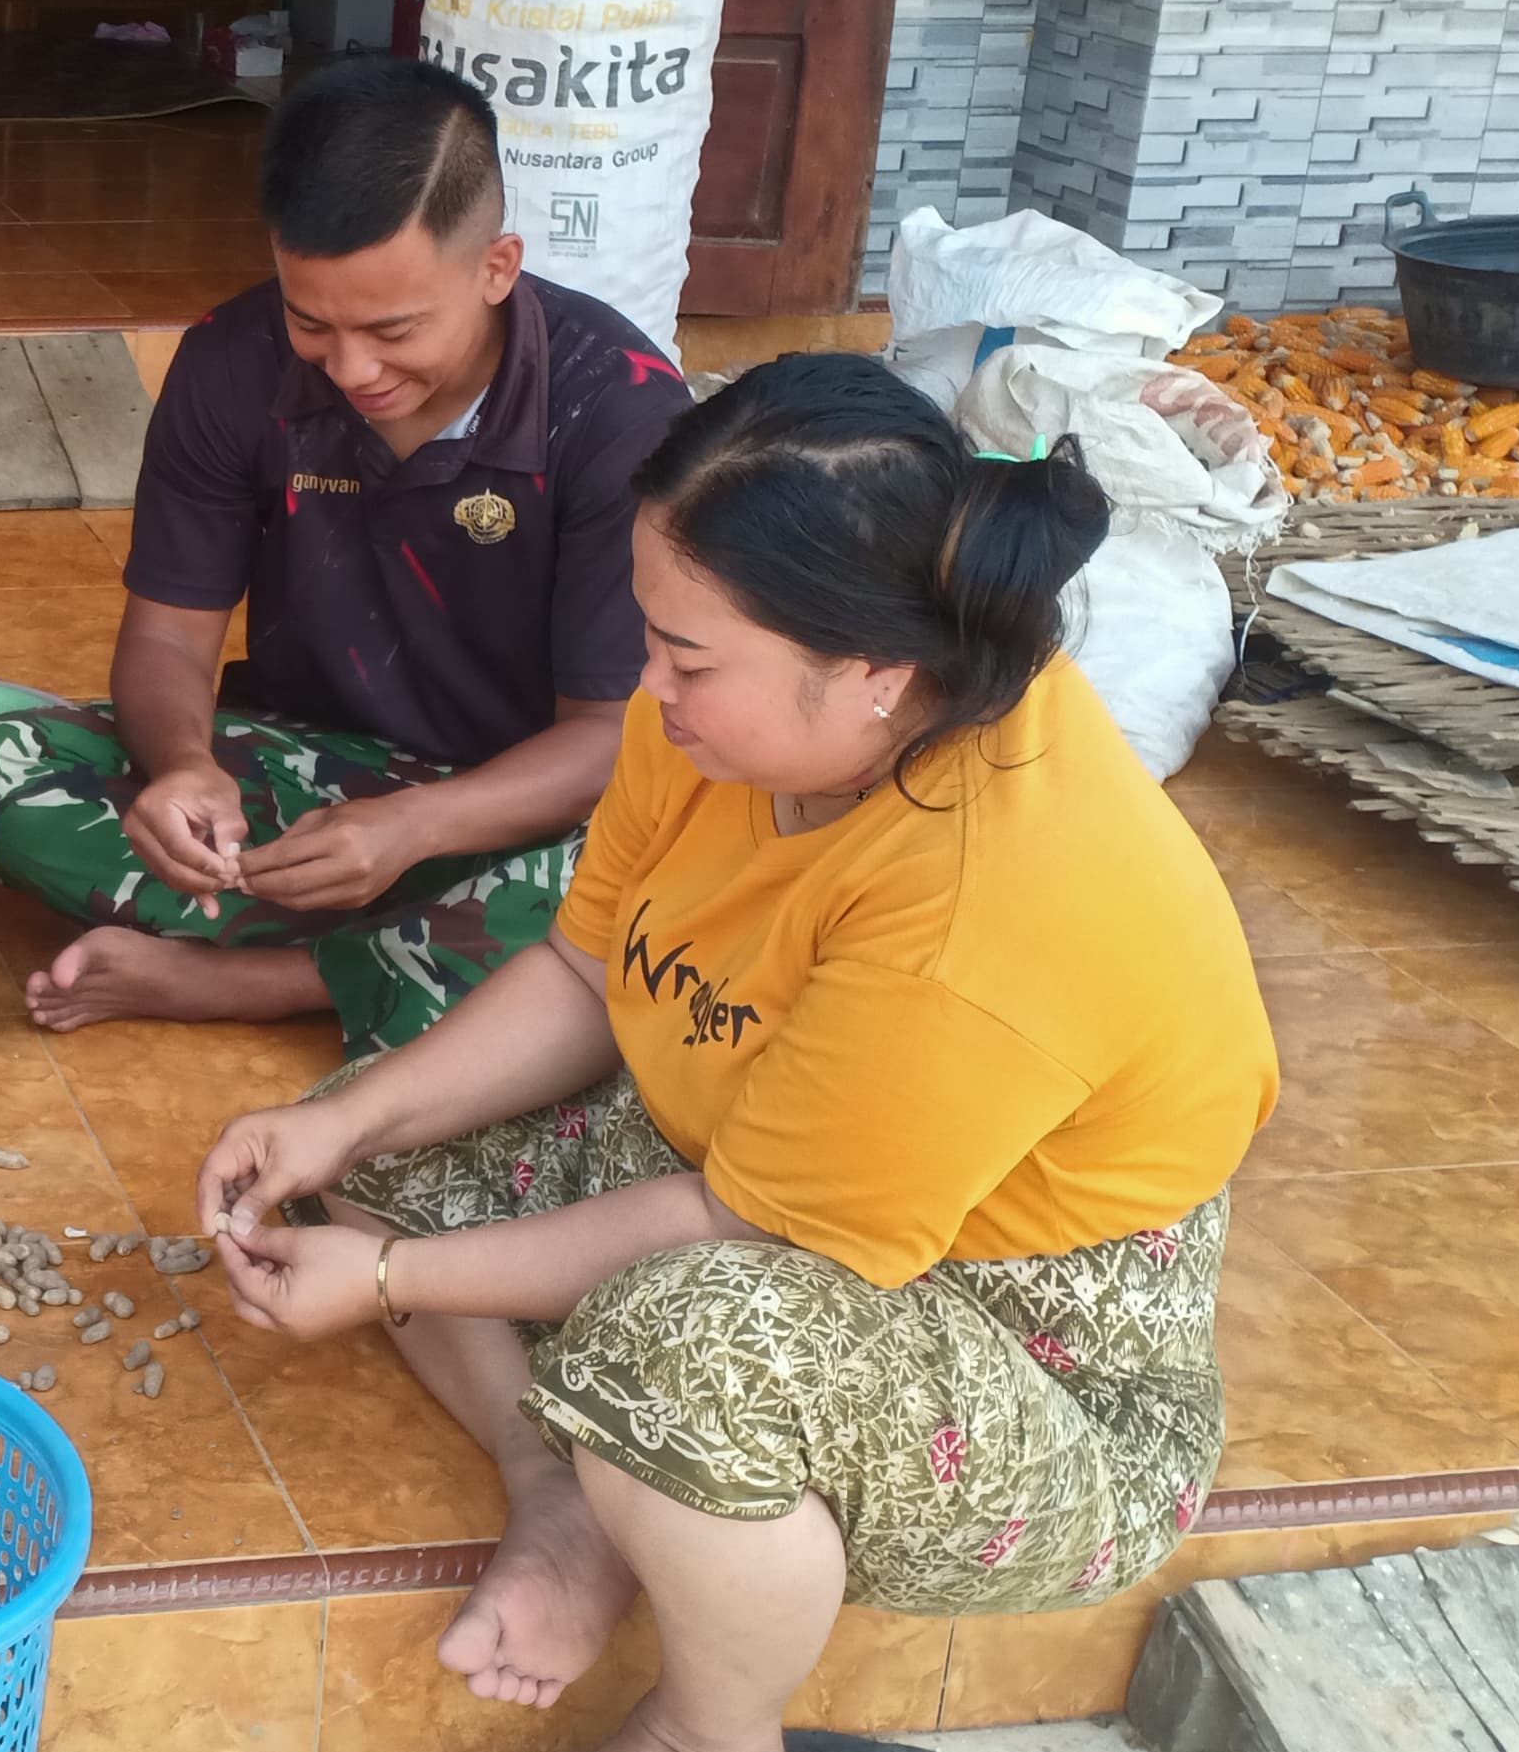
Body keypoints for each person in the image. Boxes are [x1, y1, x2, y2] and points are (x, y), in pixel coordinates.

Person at [193, 353, 1278, 1752]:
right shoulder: (713, 725)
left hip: (1034, 1343)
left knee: (688, 1349)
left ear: (876, 675)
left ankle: (713, 1728)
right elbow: (583, 971)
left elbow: (735, 1225)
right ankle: (562, 1502)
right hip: (750, 1142)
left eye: (689, 657)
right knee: (375, 1123)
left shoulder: (988, 909)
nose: (648, 687)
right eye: (651, 636)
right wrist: (342, 1133)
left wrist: (394, 1280)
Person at [0, 56, 693, 1057]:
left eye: (393, 329)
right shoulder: (231, 363)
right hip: (309, 782)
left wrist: (417, 829)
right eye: (310, 321)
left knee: (671, 893)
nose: (351, 368)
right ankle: (413, 958)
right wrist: (182, 767)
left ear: (495, 266)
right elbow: (166, 640)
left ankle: (262, 980)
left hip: (531, 812)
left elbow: (611, 738)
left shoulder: (616, 408)